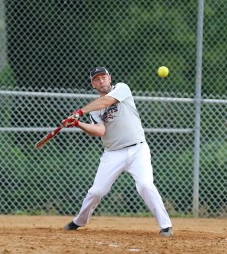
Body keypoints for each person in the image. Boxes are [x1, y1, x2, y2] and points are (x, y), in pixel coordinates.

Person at [61, 67, 173, 236]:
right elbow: (100, 131)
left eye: (103, 77)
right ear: (93, 84)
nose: (101, 81)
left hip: (137, 150)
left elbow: (107, 101)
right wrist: (78, 124)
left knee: (145, 185)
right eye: (96, 79)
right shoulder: (95, 110)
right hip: (113, 153)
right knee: (96, 191)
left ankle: (165, 226)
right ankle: (79, 221)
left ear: (109, 78)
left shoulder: (122, 88)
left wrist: (79, 112)